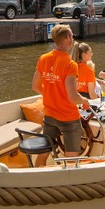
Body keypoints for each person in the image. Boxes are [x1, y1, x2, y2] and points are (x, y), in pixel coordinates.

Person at [31, 24, 92, 165]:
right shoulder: (70, 64)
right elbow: (73, 97)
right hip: (68, 118)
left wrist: (49, 96)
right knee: (71, 160)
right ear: (67, 38)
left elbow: (35, 86)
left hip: (50, 115)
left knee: (43, 153)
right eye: (72, 36)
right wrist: (85, 101)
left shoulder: (43, 58)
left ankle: (36, 176)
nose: (73, 39)